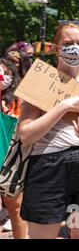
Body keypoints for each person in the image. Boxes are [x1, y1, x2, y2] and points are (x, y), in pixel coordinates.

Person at [18, 21, 79, 239]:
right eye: (68, 43)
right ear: (57, 48)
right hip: (49, 170)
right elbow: (25, 135)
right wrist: (64, 107)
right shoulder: (39, 82)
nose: (75, 48)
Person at [0, 58, 27, 239]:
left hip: (12, 158)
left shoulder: (19, 99)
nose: (3, 77)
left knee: (15, 207)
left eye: (6, 73)